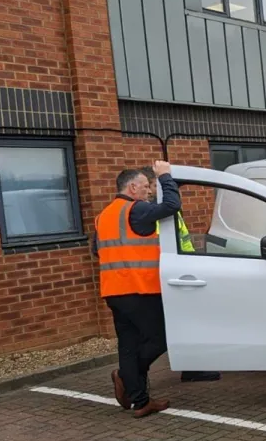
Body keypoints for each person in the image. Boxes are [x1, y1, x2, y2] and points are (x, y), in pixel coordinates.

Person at [94, 162, 178, 418]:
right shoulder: (136, 209)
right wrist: (165, 176)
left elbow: (96, 251)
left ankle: (140, 401)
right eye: (145, 186)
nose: (149, 192)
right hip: (140, 289)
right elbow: (172, 207)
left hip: (113, 291)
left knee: (129, 345)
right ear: (132, 187)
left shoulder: (103, 216)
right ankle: (126, 377)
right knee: (160, 338)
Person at [138, 166, 220, 384]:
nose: (163, 189)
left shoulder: (164, 208)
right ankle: (132, 371)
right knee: (161, 333)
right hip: (163, 277)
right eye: (156, 185)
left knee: (188, 324)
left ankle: (191, 368)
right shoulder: (150, 211)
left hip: (181, 271)